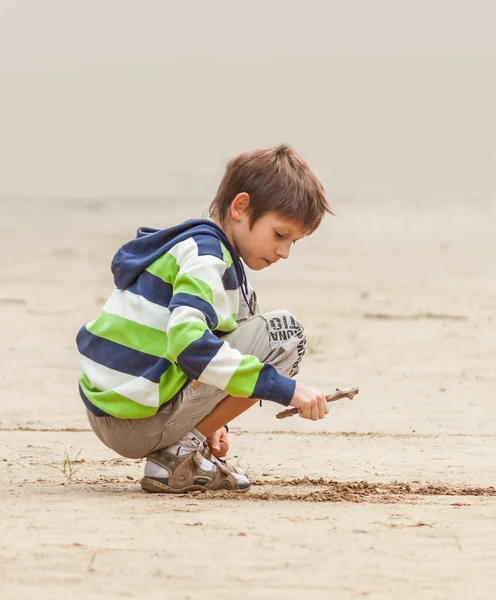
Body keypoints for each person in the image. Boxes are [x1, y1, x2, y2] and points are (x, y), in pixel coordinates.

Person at [76, 145, 333, 493]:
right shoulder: (206, 256)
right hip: (134, 420)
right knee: (285, 333)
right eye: (280, 234)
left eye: (294, 242)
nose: (284, 252)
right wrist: (288, 390)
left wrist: (213, 424)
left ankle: (191, 441)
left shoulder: (190, 246)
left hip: (109, 410)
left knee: (242, 318)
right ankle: (178, 456)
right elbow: (188, 344)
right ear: (240, 207)